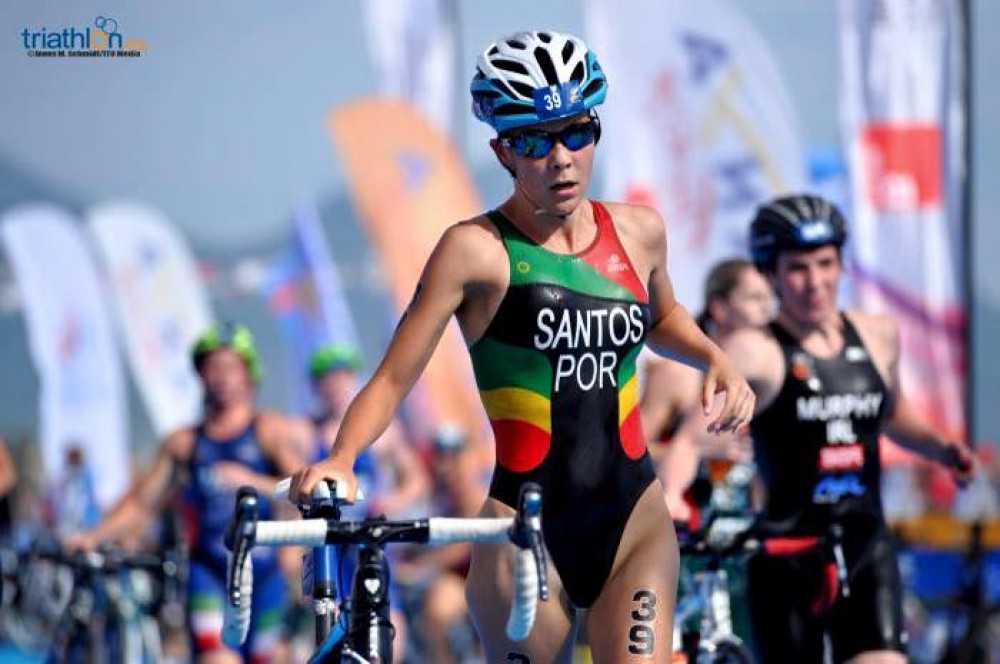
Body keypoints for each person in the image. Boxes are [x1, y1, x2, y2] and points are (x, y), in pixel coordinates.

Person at [289, 29, 754, 664]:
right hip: (521, 532)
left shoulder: (639, 231)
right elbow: (394, 377)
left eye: (576, 133)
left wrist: (714, 357)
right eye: (534, 141)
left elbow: (663, 316)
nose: (561, 158)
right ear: (502, 151)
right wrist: (341, 457)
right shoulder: (473, 250)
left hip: (635, 520)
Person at [722, 194, 976, 663]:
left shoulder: (877, 335)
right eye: (798, 268)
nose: (815, 282)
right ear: (770, 273)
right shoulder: (755, 350)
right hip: (786, 555)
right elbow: (694, 424)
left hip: (865, 546)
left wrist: (942, 449)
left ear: (842, 263)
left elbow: (892, 414)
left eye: (826, 264)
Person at [66, 322, 309, 664]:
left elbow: (305, 489)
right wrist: (92, 537)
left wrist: (253, 481)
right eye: (212, 367)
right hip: (209, 573)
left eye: (230, 367)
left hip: (266, 575)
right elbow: (141, 504)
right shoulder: (183, 442)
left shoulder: (269, 430)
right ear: (200, 375)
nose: (222, 377)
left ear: (248, 374)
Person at [639, 258, 773, 523]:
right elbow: (628, 453)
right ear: (719, 308)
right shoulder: (678, 374)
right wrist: (693, 449)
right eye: (755, 298)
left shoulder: (764, 372)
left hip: (744, 533)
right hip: (684, 531)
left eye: (769, 298)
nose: (766, 310)